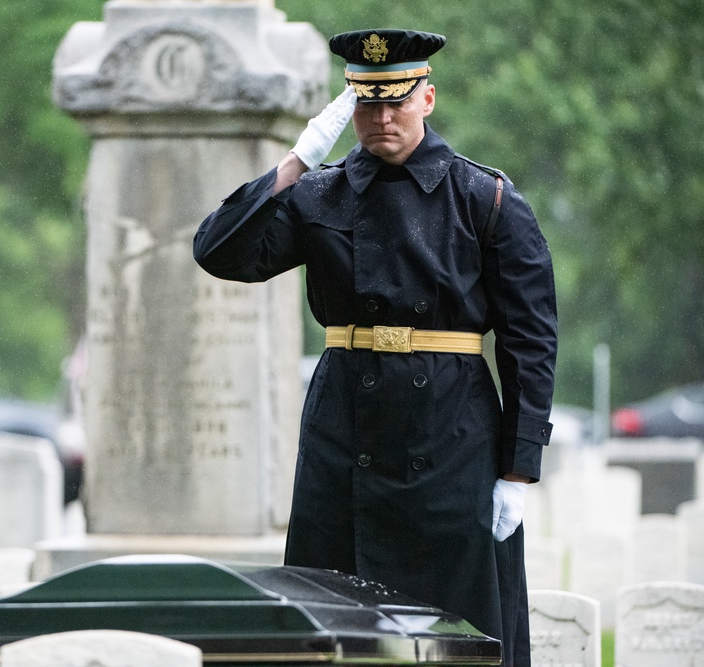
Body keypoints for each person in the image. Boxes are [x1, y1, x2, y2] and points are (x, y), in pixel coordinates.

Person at [193, 29, 556, 666]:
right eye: (366, 104)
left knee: (461, 635)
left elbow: (531, 340)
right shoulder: (318, 192)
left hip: (449, 443)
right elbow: (219, 252)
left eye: (396, 101)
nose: (381, 118)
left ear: (428, 98)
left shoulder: (484, 198)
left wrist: (518, 471)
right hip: (346, 438)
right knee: (334, 629)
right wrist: (297, 160)